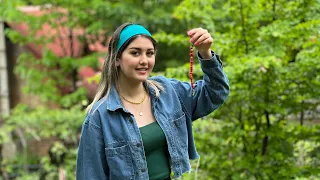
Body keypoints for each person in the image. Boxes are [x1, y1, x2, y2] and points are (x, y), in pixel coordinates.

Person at [76, 22, 229, 180]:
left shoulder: (168, 92)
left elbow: (216, 93)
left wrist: (205, 53)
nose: (144, 61)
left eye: (149, 53)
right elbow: (90, 174)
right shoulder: (99, 116)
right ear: (117, 59)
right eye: (135, 53)